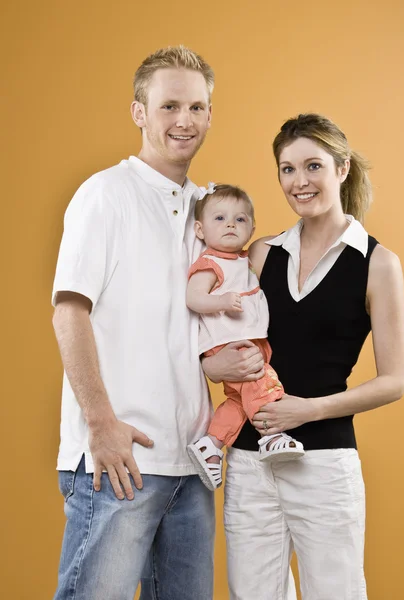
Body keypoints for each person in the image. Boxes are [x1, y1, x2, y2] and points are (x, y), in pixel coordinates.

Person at [202, 113, 404, 600]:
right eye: (287, 169)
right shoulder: (259, 254)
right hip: (251, 461)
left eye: (312, 166)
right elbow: (216, 340)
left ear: (341, 168)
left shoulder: (377, 263)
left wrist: (308, 408)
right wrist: (212, 367)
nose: (299, 182)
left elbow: (394, 380)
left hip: (325, 463)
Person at [51, 45, 226, 600]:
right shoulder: (105, 194)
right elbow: (68, 310)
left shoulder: (211, 208)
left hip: (193, 466)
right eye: (170, 105)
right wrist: (101, 424)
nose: (184, 121)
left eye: (196, 107)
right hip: (119, 460)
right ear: (139, 112)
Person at [186, 183, 304, 491]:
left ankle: (210, 445)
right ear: (200, 229)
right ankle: (271, 435)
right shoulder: (211, 263)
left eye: (240, 220)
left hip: (250, 340)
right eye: (220, 218)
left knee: (238, 402)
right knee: (262, 384)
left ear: (252, 227)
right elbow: (194, 298)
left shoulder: (245, 260)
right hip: (229, 343)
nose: (230, 225)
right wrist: (221, 302)